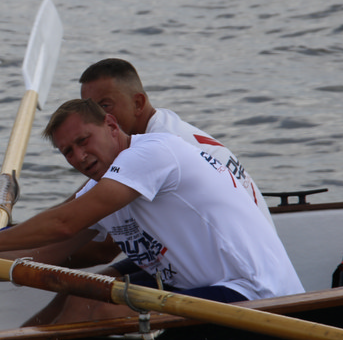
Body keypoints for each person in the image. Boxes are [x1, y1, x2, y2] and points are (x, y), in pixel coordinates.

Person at [0, 99, 303, 324]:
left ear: (111, 125)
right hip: (202, 288)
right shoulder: (103, 187)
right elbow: (43, 255)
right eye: (68, 152)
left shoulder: (151, 152)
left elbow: (63, 223)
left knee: (98, 308)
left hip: (258, 295)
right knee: (80, 291)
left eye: (84, 140)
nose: (79, 156)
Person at [78, 58, 272, 225]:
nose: (95, 119)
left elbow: (106, 241)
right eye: (89, 111)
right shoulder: (161, 126)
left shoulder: (159, 146)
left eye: (105, 106)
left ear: (138, 103)